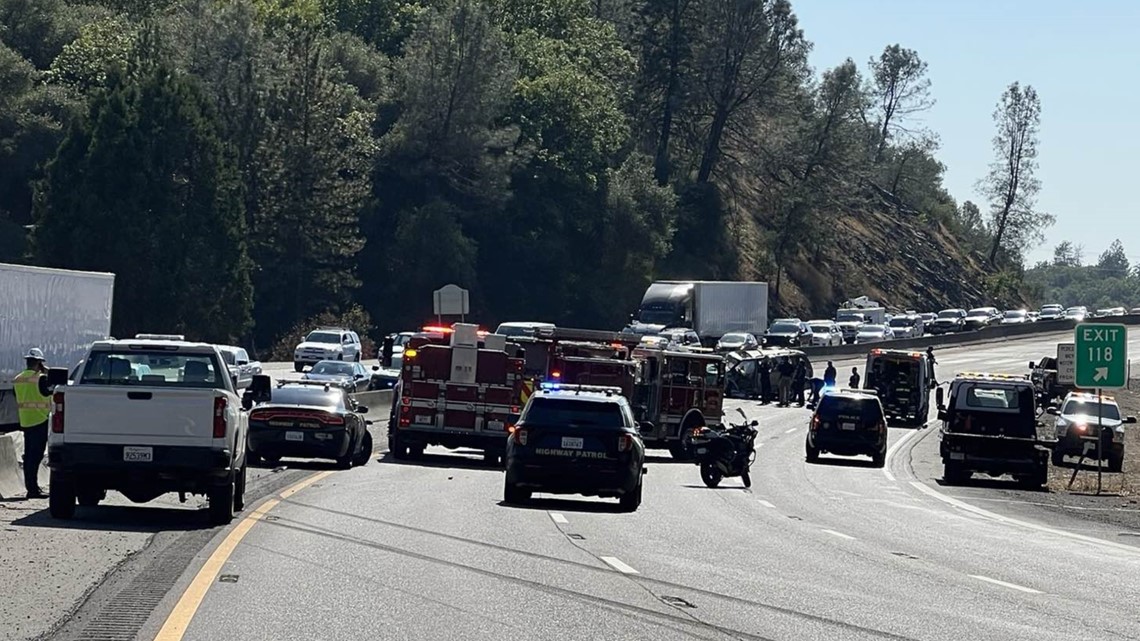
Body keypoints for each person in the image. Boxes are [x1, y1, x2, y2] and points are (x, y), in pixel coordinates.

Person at [13, 348, 51, 499]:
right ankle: (33, 489)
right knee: (35, 457)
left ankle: (31, 487)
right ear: (39, 363)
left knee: (29, 456)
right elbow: (50, 392)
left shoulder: (18, 379)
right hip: (40, 420)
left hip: (26, 421)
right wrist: (46, 372)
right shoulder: (41, 378)